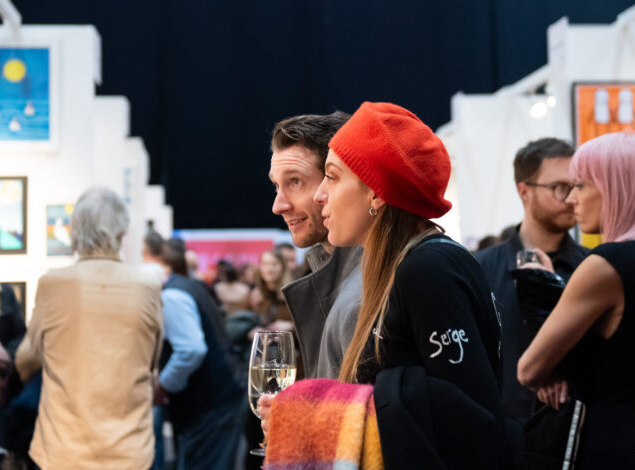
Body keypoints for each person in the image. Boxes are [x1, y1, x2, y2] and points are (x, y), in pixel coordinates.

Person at [264, 102, 511, 469]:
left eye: (331, 176)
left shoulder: (427, 268)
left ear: (376, 192)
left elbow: (466, 421)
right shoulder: (413, 264)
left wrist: (313, 414)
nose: (320, 195)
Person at [15, 187, 163, 470]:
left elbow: (27, 357)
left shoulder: (53, 284)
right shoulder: (147, 286)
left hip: (62, 450)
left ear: (75, 230)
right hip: (130, 451)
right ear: (122, 231)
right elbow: (151, 360)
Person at [518, 131, 635, 468]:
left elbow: (528, 369)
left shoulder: (604, 265)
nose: (572, 200)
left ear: (615, 187)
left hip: (609, 444)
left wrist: (553, 368)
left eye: (582, 185)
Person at [475, 138, 589, 425]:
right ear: (524, 191)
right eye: (559, 187)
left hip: (576, 435)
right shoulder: (480, 268)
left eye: (576, 186)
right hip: (502, 437)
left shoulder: (592, 268)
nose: (571, 197)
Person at [268, 112, 364, 380]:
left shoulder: (385, 276)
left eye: (295, 182)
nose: (278, 205)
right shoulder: (328, 269)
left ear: (335, 180)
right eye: (276, 186)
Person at [156, 241, 242, 470]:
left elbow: (191, 350)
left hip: (209, 404)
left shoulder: (172, 294)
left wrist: (162, 385)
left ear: (159, 264)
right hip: (219, 398)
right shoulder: (190, 286)